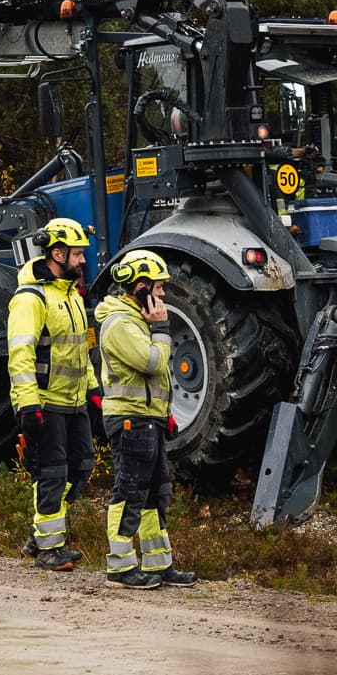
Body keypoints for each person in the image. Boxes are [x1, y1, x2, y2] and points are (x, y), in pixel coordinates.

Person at [94, 249, 196, 589]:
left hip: (147, 419)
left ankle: (158, 564)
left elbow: (155, 382)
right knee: (130, 490)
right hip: (129, 420)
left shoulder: (136, 321)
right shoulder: (121, 324)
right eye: (159, 286)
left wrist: (163, 414)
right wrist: (162, 328)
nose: (163, 293)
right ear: (140, 287)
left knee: (156, 492)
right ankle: (120, 567)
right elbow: (152, 363)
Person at [8, 217, 102, 571]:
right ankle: (49, 549)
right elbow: (21, 355)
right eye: (77, 254)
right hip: (45, 403)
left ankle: (39, 534)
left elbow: (80, 349)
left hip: (75, 400)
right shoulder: (30, 299)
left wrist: (93, 389)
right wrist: (29, 404)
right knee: (52, 473)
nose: (82, 261)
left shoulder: (72, 296)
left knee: (82, 467)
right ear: (57, 252)